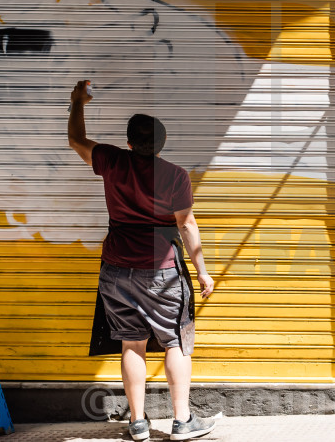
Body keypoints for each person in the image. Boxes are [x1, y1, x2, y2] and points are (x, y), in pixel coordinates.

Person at [68, 82, 219, 442]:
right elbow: (186, 224)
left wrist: (77, 101)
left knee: (131, 343)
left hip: (116, 268)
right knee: (174, 343)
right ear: (162, 145)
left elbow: (76, 139)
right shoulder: (175, 175)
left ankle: (137, 424)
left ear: (130, 142)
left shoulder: (112, 160)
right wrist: (202, 271)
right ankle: (182, 422)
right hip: (162, 271)